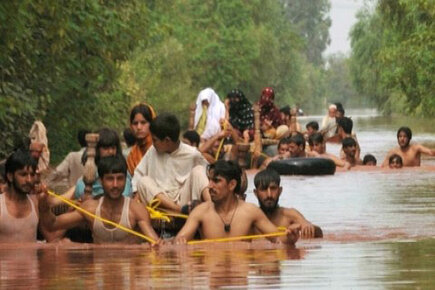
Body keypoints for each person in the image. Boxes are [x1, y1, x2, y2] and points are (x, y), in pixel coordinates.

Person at [39, 155, 160, 244]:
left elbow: (155, 244)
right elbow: (52, 224)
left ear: (126, 180)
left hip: (129, 274)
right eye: (110, 179)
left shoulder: (137, 210)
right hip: (98, 275)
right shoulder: (90, 208)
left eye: (120, 179)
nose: (115, 185)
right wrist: (43, 204)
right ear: (101, 181)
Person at [174, 160, 300, 244]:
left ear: (232, 185)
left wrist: (291, 237)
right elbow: (179, 241)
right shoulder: (200, 212)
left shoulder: (250, 211)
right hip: (213, 277)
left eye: (216, 181)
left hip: (239, 279)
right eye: (210, 180)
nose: (209, 186)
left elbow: (277, 237)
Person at [133, 113, 210, 213]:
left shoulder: (192, 154)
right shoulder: (152, 151)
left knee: (199, 170)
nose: (153, 143)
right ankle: (179, 210)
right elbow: (138, 175)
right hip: (159, 203)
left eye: (155, 140)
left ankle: (211, 207)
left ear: (167, 141)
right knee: (143, 181)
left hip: (183, 200)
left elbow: (208, 174)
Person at [253, 169, 322, 240]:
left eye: (273, 188)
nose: (269, 195)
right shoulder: (251, 219)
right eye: (263, 189)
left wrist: (308, 227)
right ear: (255, 193)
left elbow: (319, 233)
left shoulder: (290, 215)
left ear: (280, 191)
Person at [73, 128, 132, 201]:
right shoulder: (85, 178)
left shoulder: (122, 173)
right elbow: (81, 193)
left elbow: (124, 195)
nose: (110, 152)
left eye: (113, 148)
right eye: (105, 148)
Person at [0, 149, 40, 243]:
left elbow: (51, 233)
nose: (29, 180)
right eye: (23, 174)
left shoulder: (36, 203)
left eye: (32, 174)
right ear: (10, 176)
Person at [126, 103, 156, 175]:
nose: (139, 127)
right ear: (131, 125)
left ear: (152, 124)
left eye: (143, 122)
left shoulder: (160, 149)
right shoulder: (131, 156)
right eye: (135, 123)